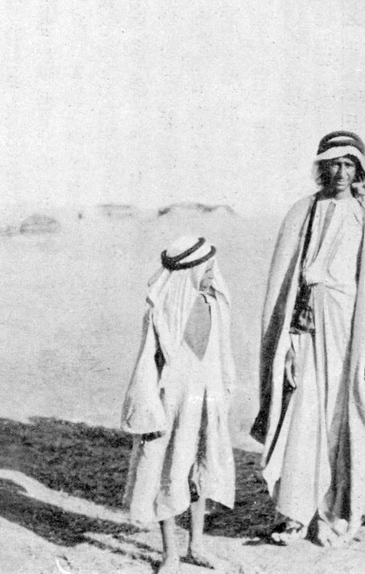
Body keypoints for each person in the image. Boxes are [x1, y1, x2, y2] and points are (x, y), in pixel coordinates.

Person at [251, 130, 365, 547]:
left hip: (354, 330)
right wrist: (289, 338)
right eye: (333, 164)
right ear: (322, 168)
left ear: (359, 170)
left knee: (349, 418)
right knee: (303, 414)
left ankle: (336, 512)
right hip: (307, 327)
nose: (340, 172)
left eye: (349, 164)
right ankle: (298, 514)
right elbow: (286, 282)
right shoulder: (303, 211)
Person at [121, 236, 236, 573]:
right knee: (167, 473)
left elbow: (222, 356)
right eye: (207, 270)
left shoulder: (217, 305)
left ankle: (196, 545)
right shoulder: (160, 311)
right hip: (170, 406)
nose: (213, 275)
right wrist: (149, 411)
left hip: (206, 402)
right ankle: (170, 553)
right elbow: (146, 365)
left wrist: (224, 393)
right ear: (189, 271)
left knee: (200, 471)